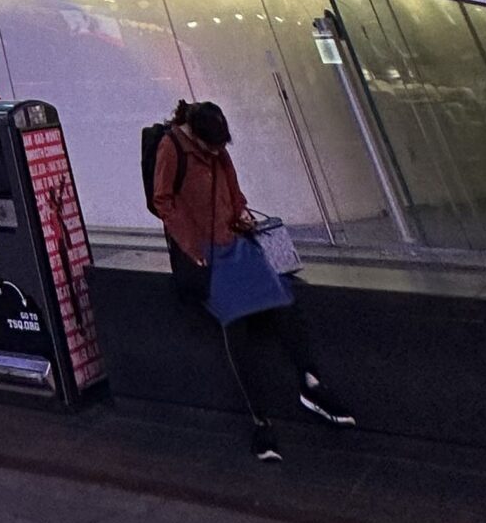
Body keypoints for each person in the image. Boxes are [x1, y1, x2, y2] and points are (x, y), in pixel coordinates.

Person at [152, 99, 355, 461]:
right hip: (204, 252)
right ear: (196, 137)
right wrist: (190, 244)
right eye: (212, 146)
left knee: (281, 300)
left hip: (232, 241)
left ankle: (311, 383)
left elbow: (231, 187)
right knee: (237, 324)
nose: (217, 151)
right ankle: (261, 422)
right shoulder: (171, 148)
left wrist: (240, 213)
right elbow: (163, 201)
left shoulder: (215, 149)